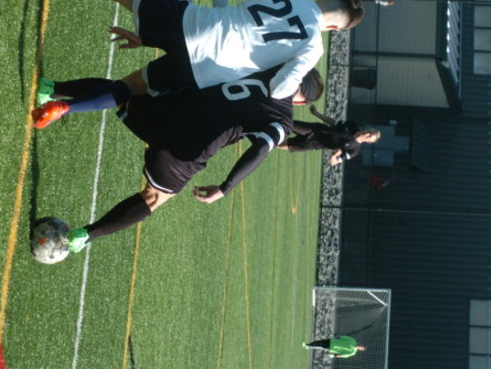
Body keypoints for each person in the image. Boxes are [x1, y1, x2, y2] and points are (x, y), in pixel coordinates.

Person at [16, 0, 363, 127]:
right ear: (334, 28)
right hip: (207, 71)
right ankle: (64, 107)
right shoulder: (312, 47)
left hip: (196, 24)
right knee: (130, 87)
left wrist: (222, 20)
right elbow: (280, 89)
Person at [45, 68, 323, 252]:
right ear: (300, 102)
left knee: (123, 92)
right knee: (154, 197)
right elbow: (260, 150)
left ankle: (52, 89)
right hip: (184, 153)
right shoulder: (283, 120)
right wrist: (225, 187)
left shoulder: (268, 68)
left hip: (172, 111)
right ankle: (85, 236)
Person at [278, 105, 380, 166]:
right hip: (314, 129)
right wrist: (316, 113)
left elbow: (334, 162)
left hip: (312, 144)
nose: (367, 134)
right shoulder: (352, 125)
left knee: (281, 145)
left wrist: (334, 155)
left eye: (369, 136)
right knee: (286, 124)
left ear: (369, 142)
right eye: (369, 131)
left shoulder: (354, 150)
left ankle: (269, 140)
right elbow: (333, 122)